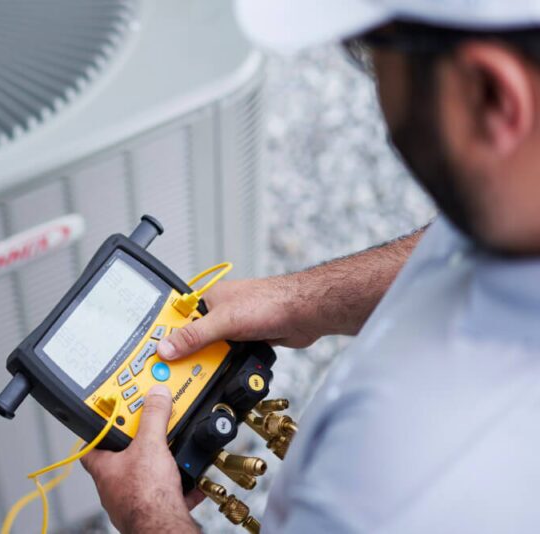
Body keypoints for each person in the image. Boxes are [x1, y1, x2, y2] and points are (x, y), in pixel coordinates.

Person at [81, 0, 540, 532]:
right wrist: (302, 300)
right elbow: (467, 237)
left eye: (367, 52)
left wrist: (148, 514)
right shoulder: (518, 195)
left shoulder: (390, 494)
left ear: (491, 95)